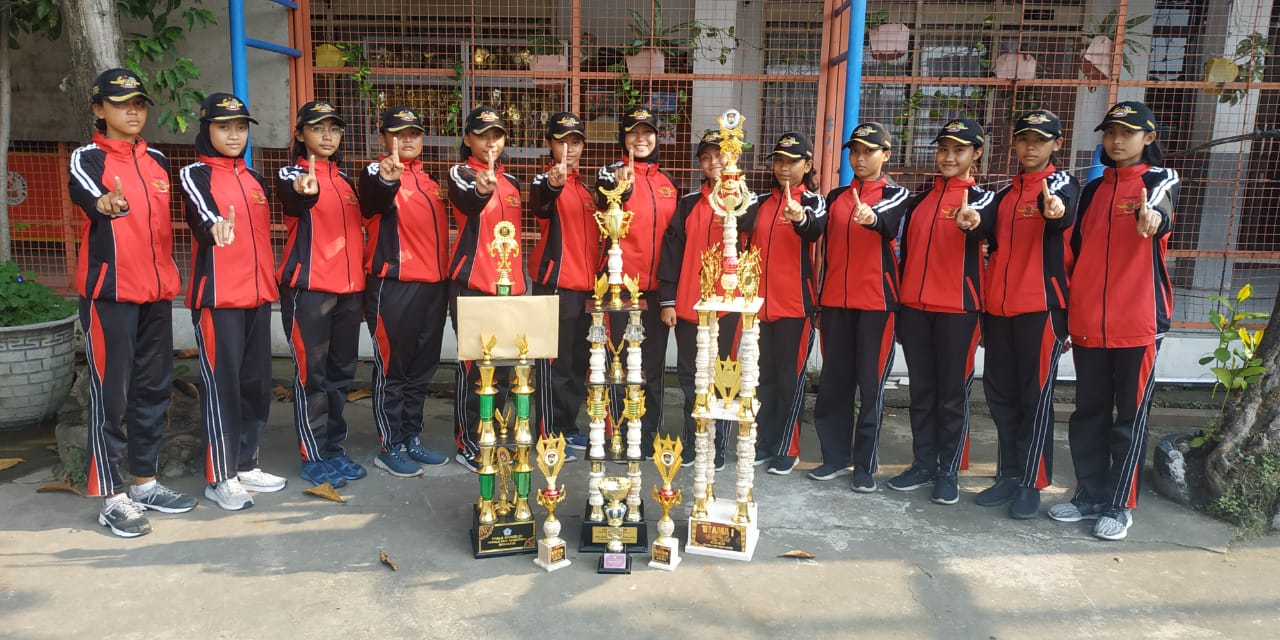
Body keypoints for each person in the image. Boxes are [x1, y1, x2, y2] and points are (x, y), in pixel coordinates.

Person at [67, 68, 196, 537]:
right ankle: (111, 495)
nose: (133, 110)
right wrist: (104, 203)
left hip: (156, 294)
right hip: (111, 296)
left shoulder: (158, 159)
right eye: (121, 103)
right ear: (99, 110)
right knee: (111, 395)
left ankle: (144, 483)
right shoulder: (88, 157)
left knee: (152, 391)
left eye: (139, 102)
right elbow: (86, 192)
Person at [1049, 101, 1179, 540]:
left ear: (1148, 137)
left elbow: (1160, 211)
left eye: (1127, 132)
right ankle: (1088, 494)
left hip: (1137, 321)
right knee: (1089, 412)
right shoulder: (1093, 190)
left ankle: (1119, 504)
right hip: (1089, 322)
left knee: (1131, 416)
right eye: (1110, 132)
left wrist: (1153, 219)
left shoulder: (1159, 181)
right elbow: (1076, 252)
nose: (1117, 140)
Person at [179, 92, 287, 511]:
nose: (234, 135)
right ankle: (219, 476)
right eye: (224, 127)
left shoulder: (254, 178)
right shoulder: (195, 173)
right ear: (206, 129)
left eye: (241, 127)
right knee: (221, 387)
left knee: (256, 385)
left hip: (258, 296)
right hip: (218, 298)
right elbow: (201, 212)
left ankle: (245, 462)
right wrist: (215, 225)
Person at [888, 117, 997, 505]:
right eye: (944, 149)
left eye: (959, 150)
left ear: (976, 154)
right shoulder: (919, 200)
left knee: (952, 395)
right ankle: (922, 463)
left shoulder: (982, 198)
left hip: (957, 311)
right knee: (922, 391)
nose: (949, 157)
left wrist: (973, 222)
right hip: (915, 309)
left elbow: (985, 223)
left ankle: (949, 470)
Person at [977, 109, 1080, 519]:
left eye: (1040, 139)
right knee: (1000, 396)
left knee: (1034, 398)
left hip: (1040, 309)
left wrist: (1054, 210)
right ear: (1014, 143)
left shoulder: (1061, 185)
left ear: (1056, 144)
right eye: (1024, 138)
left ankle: (1032, 482)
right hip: (999, 310)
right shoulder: (1004, 194)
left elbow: (1064, 212)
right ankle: (1007, 474)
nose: (1031, 146)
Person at [810, 122, 909, 492]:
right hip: (835, 303)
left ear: (886, 155)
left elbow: (887, 221)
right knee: (834, 384)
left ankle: (864, 465)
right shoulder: (836, 196)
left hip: (877, 304)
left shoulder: (896, 194)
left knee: (871, 387)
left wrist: (872, 217)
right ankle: (834, 457)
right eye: (855, 151)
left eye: (869, 151)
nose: (861, 158)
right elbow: (815, 236)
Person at [276, 101, 368, 487]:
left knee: (340, 374)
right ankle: (312, 453)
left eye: (333, 128)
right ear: (300, 134)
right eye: (317, 128)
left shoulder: (346, 181)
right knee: (312, 376)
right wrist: (304, 191)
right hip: (309, 290)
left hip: (349, 292)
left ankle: (332, 447)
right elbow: (293, 199)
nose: (327, 135)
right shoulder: (291, 174)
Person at [359, 106, 452, 478]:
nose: (408, 139)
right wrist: (387, 180)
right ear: (384, 138)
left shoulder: (429, 181)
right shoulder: (377, 172)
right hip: (394, 285)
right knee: (393, 369)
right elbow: (372, 199)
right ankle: (390, 444)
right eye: (398, 134)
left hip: (434, 287)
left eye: (414, 132)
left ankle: (411, 437)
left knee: (421, 370)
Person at [657, 130, 747, 471]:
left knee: (724, 378)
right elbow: (672, 252)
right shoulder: (689, 202)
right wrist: (667, 300)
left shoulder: (744, 199)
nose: (714, 163)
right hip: (690, 306)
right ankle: (695, 441)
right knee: (691, 378)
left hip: (728, 307)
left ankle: (718, 447)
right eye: (706, 157)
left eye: (720, 156)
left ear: (732, 159)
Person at [594, 107, 679, 459]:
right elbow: (603, 200)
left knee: (651, 368)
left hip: (656, 292)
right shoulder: (612, 174)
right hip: (618, 291)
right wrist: (619, 185)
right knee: (617, 367)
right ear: (623, 138)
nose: (640, 138)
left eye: (647, 132)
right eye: (633, 132)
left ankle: (646, 435)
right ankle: (616, 437)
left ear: (657, 138)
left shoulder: (667, 184)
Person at [741, 131, 827, 476]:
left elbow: (814, 228)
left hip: (795, 307)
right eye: (779, 161)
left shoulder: (813, 201)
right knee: (762, 378)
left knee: (790, 380)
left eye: (792, 162)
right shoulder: (760, 202)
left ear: (807, 165)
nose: (784, 168)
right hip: (759, 307)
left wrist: (800, 218)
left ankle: (787, 447)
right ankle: (763, 442)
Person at [448, 105, 527, 472]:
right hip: (472, 286)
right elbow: (467, 199)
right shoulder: (462, 173)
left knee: (505, 370)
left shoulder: (510, 183)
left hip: (509, 291)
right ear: (468, 140)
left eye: (496, 135)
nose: (490, 142)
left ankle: (494, 434)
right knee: (473, 368)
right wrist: (481, 189)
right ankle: (469, 441)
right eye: (482, 135)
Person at [529, 112, 597, 460]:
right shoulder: (546, 181)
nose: (568, 148)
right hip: (554, 286)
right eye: (561, 141)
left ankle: (568, 428)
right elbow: (539, 203)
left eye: (575, 142)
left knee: (575, 364)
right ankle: (548, 435)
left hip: (586, 291)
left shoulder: (587, 189)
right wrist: (553, 184)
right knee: (552, 367)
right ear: (550, 144)